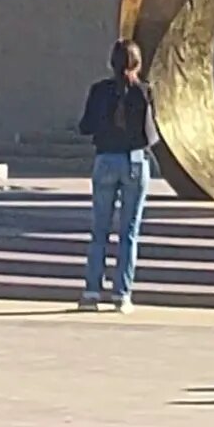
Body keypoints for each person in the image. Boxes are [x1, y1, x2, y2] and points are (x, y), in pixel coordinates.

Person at [76, 39, 158, 314]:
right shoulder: (143, 92)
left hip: (105, 159)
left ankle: (91, 291)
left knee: (99, 230)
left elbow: (85, 126)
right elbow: (149, 135)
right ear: (137, 64)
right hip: (133, 160)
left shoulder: (99, 91)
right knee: (129, 233)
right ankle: (122, 294)